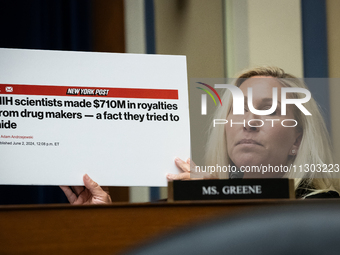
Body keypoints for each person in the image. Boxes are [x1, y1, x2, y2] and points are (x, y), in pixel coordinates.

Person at [61, 66, 340, 203]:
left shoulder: (324, 207)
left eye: (269, 111)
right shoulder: (191, 199)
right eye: (239, 109)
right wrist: (101, 220)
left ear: (297, 141)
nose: (249, 122)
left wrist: (219, 202)